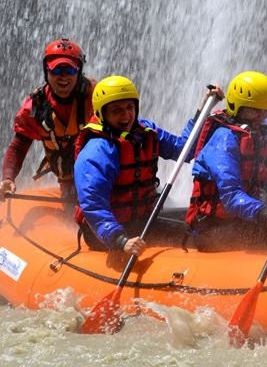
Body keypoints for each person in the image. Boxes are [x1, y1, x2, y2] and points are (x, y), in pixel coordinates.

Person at [73, 75, 222, 254]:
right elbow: (93, 204)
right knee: (192, 240)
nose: (126, 115)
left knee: (200, 232)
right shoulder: (96, 151)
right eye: (116, 110)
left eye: (130, 107)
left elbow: (184, 149)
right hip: (105, 234)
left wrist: (205, 109)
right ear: (101, 113)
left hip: (141, 222)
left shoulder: (146, 133)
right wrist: (120, 240)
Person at [185, 71, 267, 252]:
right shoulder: (224, 139)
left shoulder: (265, 130)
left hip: (250, 219)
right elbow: (230, 195)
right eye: (255, 111)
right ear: (238, 107)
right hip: (215, 229)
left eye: (265, 111)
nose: (261, 116)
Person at [0, 38, 95, 204]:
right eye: (56, 70)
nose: (63, 77)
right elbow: (19, 145)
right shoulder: (36, 106)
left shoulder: (98, 96)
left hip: (101, 176)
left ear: (79, 71)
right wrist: (8, 178)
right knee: (73, 206)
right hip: (68, 182)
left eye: (69, 70)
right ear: (46, 71)